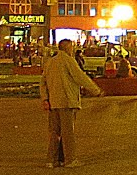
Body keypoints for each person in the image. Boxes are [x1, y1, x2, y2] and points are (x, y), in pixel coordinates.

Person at [40, 38, 103, 167]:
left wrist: (45, 99)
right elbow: (80, 77)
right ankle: (70, 159)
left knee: (54, 132)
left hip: (53, 102)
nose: (73, 49)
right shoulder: (68, 61)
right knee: (67, 132)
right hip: (67, 101)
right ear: (67, 47)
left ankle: (51, 160)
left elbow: (43, 82)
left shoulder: (50, 62)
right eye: (71, 46)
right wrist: (95, 90)